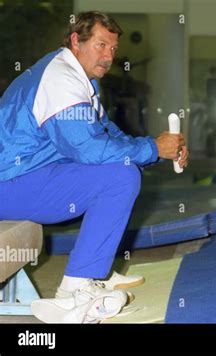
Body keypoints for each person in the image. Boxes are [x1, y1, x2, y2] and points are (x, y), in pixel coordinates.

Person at [0, 11, 189, 322]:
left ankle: (92, 272)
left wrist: (160, 151)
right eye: (101, 45)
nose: (108, 56)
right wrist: (153, 147)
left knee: (121, 168)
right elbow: (89, 149)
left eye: (113, 49)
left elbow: (108, 135)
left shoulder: (84, 79)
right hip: (9, 184)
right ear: (76, 41)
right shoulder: (60, 78)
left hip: (26, 176)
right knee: (119, 177)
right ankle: (74, 287)